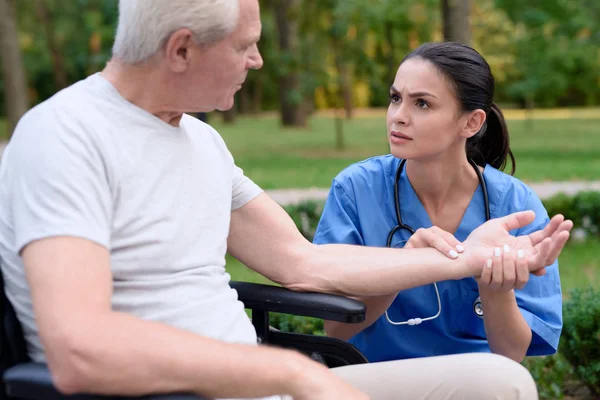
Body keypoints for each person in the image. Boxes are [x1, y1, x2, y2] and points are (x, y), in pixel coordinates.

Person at [0, 1, 571, 399]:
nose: (258, 61)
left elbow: (304, 262)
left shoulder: (200, 141)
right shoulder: (65, 136)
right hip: (170, 392)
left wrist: (474, 259)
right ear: (181, 50)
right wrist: (291, 373)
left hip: (259, 388)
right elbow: (78, 347)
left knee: (503, 385)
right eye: (245, 45)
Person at [313, 42, 566, 365]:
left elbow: (510, 354)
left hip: (473, 379)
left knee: (504, 381)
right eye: (395, 99)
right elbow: (335, 329)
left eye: (421, 104)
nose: (398, 117)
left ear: (471, 123)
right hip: (371, 375)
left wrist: (494, 289)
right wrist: (406, 265)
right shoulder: (355, 189)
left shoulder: (516, 206)